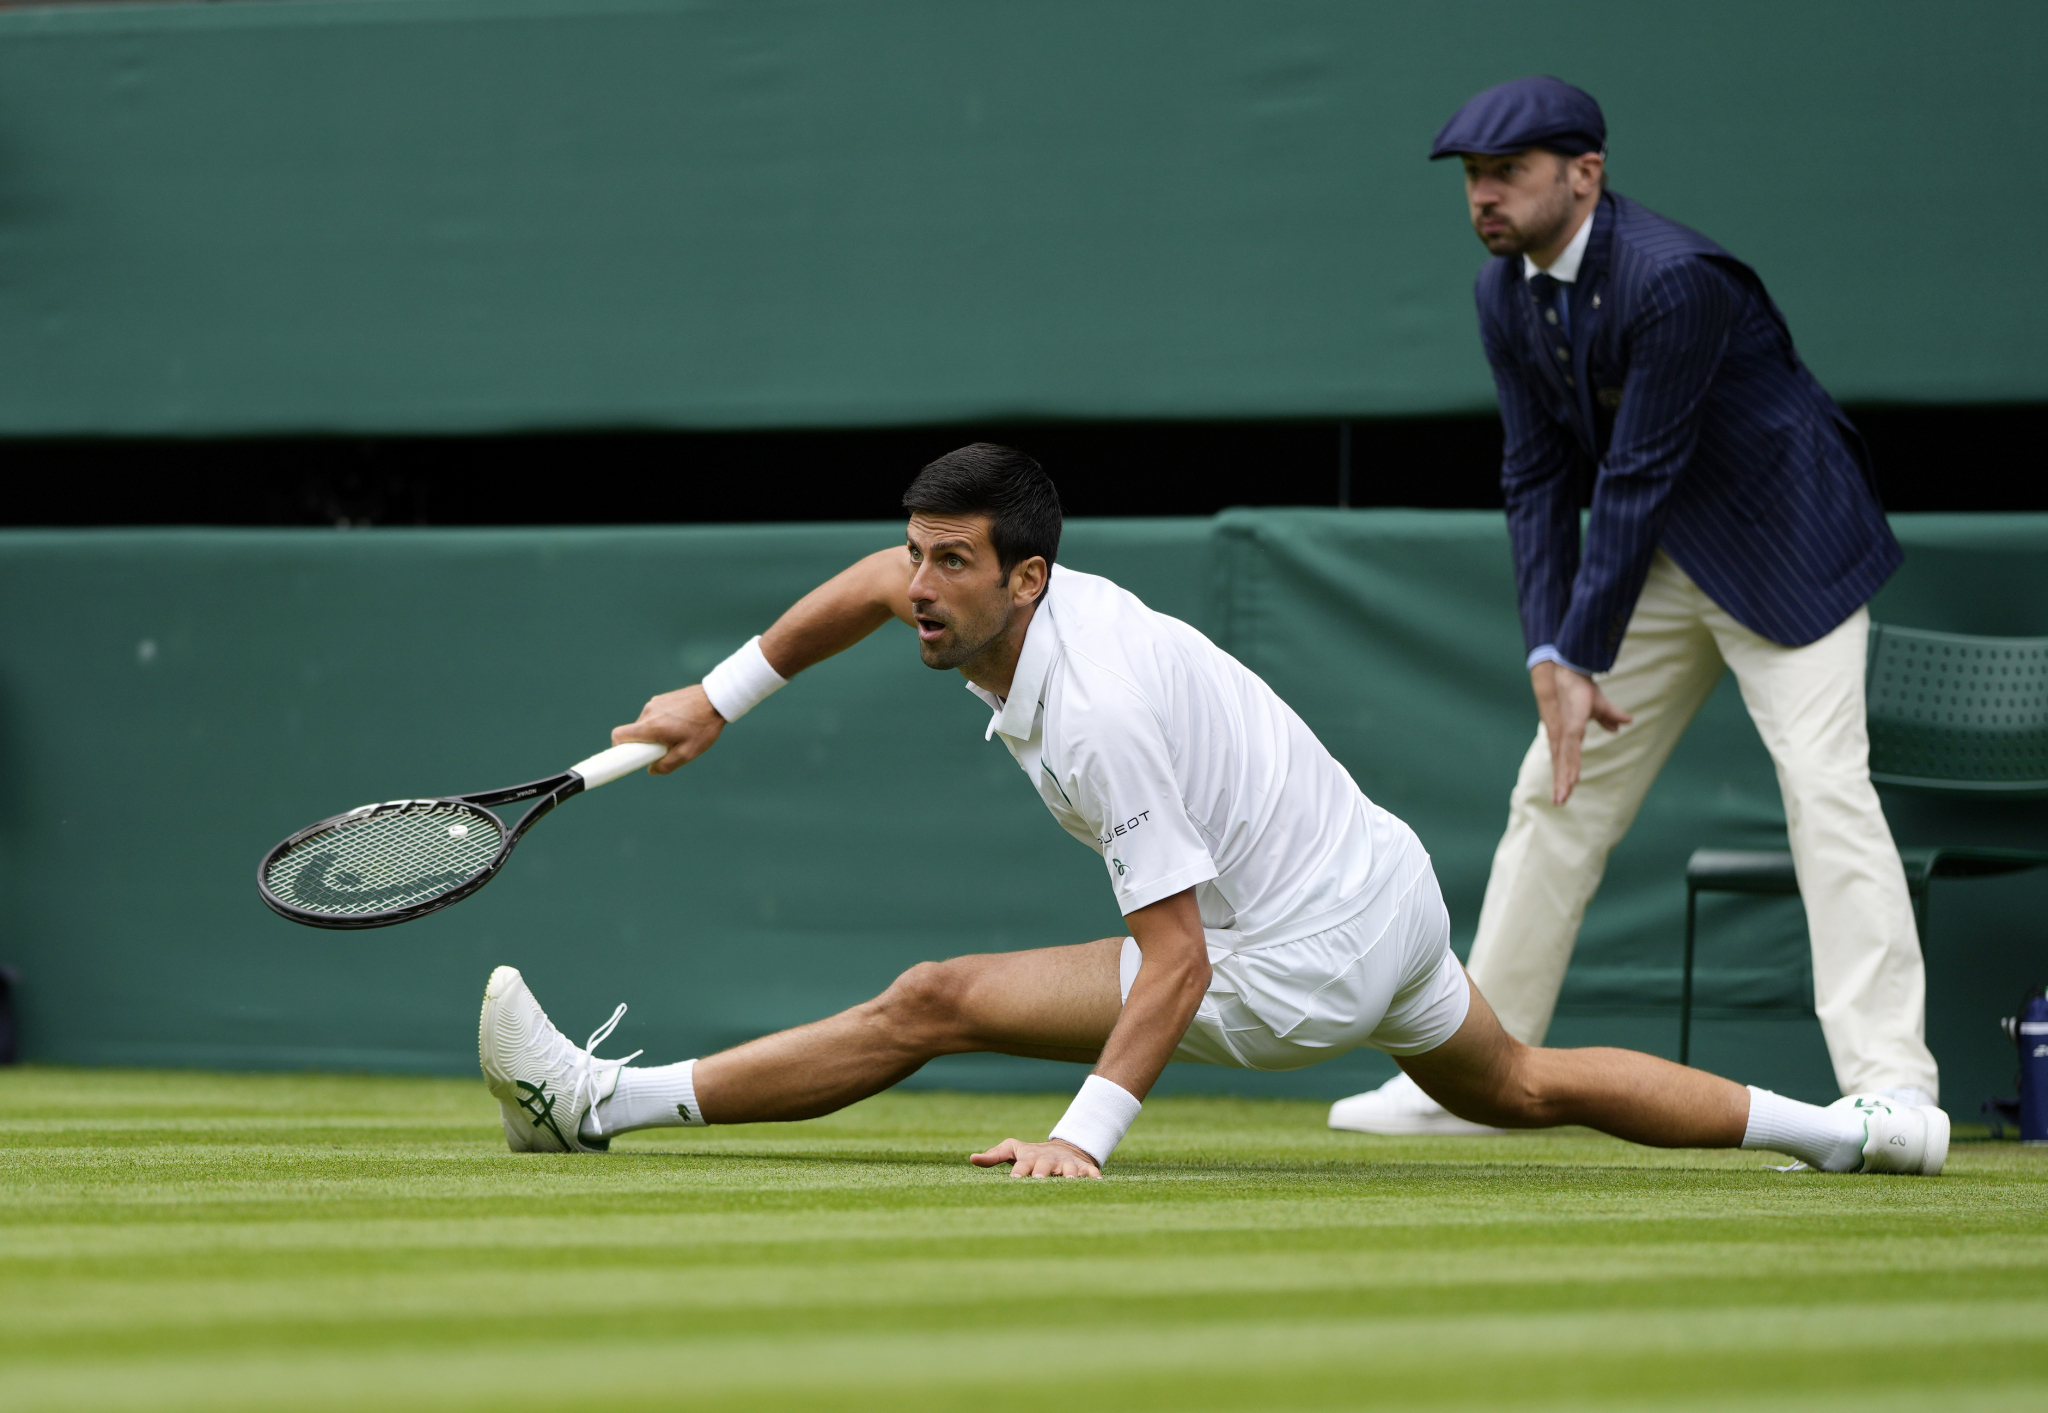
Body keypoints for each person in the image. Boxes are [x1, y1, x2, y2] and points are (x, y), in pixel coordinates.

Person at [476, 444, 1944, 1177]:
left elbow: (1174, 964)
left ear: (1026, 580)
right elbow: (865, 585)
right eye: (919, 552)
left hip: (1297, 952)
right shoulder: (973, 596)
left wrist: (1085, 1134)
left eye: (952, 565)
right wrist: (711, 701)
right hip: (1386, 888)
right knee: (1531, 1085)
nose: (919, 586)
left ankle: (594, 1106)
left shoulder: (1097, 711)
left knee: (933, 999)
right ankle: (1860, 1135)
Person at [1329, 77, 1938, 1138]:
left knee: (1822, 790)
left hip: (1789, 549)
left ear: (1584, 173)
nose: (1483, 196)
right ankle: (1472, 1073)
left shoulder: (1672, 280)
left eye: (1506, 173)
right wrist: (1546, 657)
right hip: (1666, 560)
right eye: (1472, 178)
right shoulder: (1502, 292)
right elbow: (1532, 479)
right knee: (1554, 791)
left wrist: (1577, 650)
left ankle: (1894, 1084)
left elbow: (1634, 475)